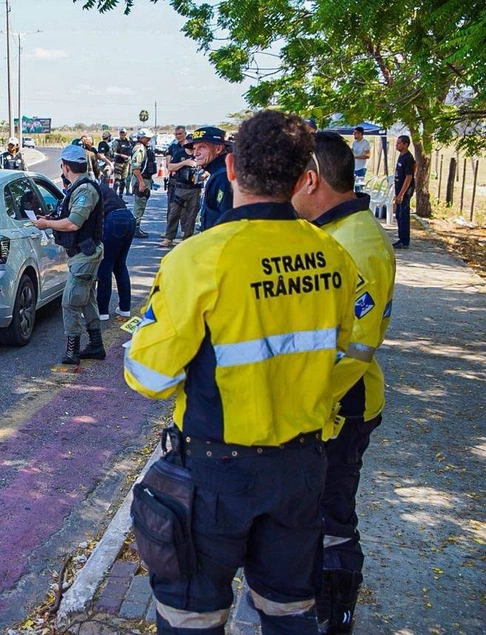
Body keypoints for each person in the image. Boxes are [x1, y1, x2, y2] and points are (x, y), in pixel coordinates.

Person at [125, 110, 359, 635]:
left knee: (192, 617)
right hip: (301, 469)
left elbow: (149, 377)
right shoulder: (334, 255)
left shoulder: (200, 258)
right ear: (303, 178)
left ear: (230, 168)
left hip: (216, 473)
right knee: (289, 612)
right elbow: (338, 349)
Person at [292, 131, 396, 634]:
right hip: (324, 404)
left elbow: (354, 350)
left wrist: (301, 404)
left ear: (311, 179)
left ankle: (335, 617)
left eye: (288, 178)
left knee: (332, 520)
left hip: (341, 407)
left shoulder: (355, 244)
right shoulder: (333, 232)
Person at [34, 145, 105, 365]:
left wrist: (46, 224)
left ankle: (72, 352)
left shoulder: (85, 190)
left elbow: (74, 223)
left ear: (66, 167)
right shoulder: (78, 188)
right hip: (80, 254)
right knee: (87, 300)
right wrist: (51, 219)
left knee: (71, 301)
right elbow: (68, 216)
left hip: (85, 255)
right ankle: (96, 345)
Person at [95, 186, 135, 321]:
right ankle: (125, 308)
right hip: (129, 217)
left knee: (105, 266)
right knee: (120, 265)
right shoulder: (100, 186)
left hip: (113, 219)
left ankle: (102, 310)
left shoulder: (85, 188)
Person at [186, 126, 231, 232]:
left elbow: (227, 221)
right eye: (194, 148)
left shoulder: (223, 176)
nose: (195, 153)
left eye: (202, 147)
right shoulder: (217, 173)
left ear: (218, 149)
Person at [161, 127, 201, 247]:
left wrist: (203, 173)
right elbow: (170, 167)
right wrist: (184, 163)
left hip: (195, 189)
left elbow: (208, 168)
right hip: (180, 188)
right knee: (174, 213)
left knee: (191, 215)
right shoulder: (179, 153)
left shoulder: (199, 155)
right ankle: (169, 237)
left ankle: (187, 238)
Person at [130, 128, 157, 239]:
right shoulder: (140, 149)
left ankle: (136, 227)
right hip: (141, 179)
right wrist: (141, 182)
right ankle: (135, 228)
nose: (149, 139)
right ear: (141, 138)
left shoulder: (143, 147)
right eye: (147, 137)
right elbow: (135, 168)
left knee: (141, 204)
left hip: (144, 179)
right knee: (139, 205)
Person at [392, 135, 415, 249]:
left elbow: (408, 177)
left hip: (405, 190)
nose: (397, 145)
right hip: (398, 188)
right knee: (398, 215)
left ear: (405, 145)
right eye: (396, 143)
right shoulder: (401, 156)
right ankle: (401, 238)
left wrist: (401, 194)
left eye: (399, 143)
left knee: (403, 215)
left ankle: (404, 241)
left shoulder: (408, 158)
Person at [111, 128, 134, 197]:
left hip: (126, 163)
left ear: (126, 134)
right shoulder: (117, 142)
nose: (122, 134)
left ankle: (121, 195)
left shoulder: (128, 142)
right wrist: (121, 155)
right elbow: (113, 153)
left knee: (123, 180)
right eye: (121, 133)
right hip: (118, 163)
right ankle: (114, 195)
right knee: (117, 180)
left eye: (123, 133)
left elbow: (131, 151)